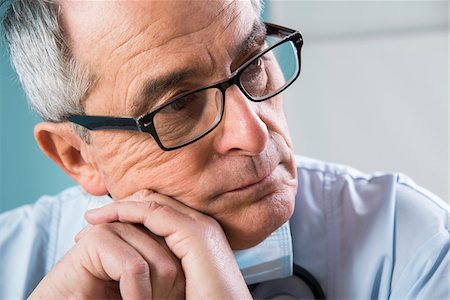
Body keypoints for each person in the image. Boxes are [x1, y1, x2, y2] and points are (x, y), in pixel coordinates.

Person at [0, 0, 448, 299]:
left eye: (253, 65)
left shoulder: (413, 246)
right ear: (77, 156)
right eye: (177, 104)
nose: (254, 135)